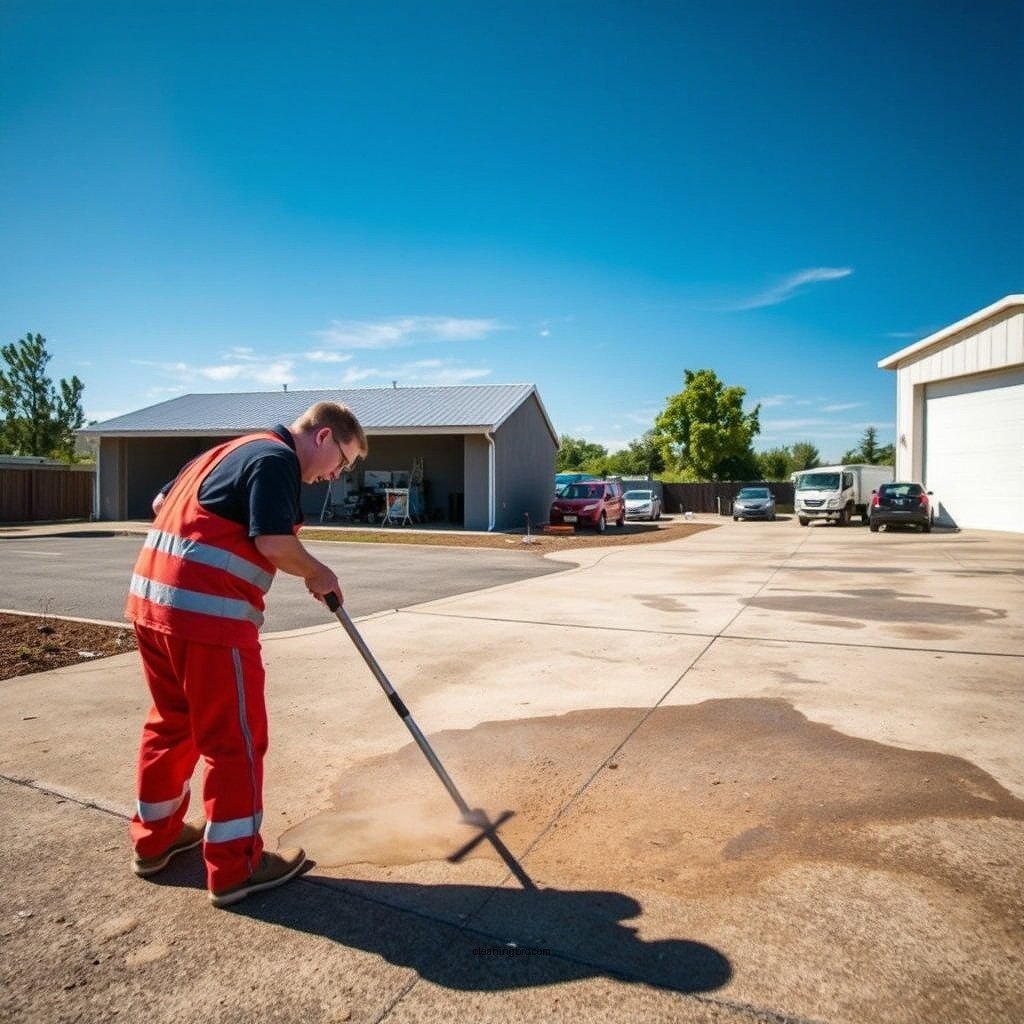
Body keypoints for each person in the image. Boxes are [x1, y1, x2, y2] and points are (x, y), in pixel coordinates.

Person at [125, 401, 368, 908]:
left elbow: (159, 502)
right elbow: (274, 542)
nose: (335, 475)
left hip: (152, 607)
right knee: (234, 741)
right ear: (323, 437)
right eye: (342, 461)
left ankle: (157, 838)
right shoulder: (277, 459)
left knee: (173, 724)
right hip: (207, 619)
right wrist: (318, 572)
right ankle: (236, 867)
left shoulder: (228, 450)